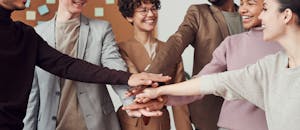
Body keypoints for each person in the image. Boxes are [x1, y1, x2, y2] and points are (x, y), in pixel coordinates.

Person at [0, 0, 170, 129]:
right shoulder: (37, 32)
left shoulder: (25, 36)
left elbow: (68, 66)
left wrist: (130, 88)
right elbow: (33, 94)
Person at [133, 0, 300, 129]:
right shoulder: (264, 62)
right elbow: (211, 80)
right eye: (242, 3)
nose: (244, 9)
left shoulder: (277, 52)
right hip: (221, 120)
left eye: (262, 7)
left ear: (285, 15)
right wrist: (157, 90)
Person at [138, 0, 244, 129]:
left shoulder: (250, 14)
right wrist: (149, 77)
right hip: (211, 113)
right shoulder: (199, 13)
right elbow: (177, 41)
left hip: (248, 110)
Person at [116, 0, 192, 130]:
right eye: (143, 10)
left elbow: (180, 98)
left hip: (160, 122)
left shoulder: (170, 50)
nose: (151, 14)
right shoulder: (120, 50)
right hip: (130, 122)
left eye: (154, 8)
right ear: (129, 16)